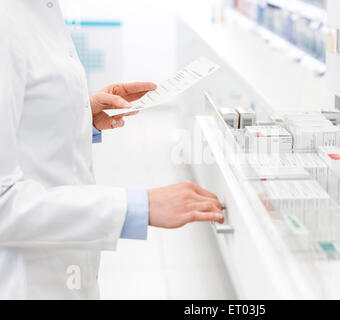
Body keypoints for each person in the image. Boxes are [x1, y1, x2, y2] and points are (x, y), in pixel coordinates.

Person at [0, 0, 223, 299]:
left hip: (65, 264)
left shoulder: (44, 10)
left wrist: (79, 112)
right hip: (25, 282)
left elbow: (26, 118)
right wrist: (138, 207)